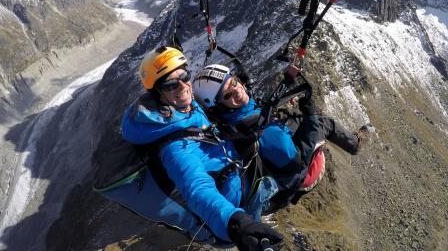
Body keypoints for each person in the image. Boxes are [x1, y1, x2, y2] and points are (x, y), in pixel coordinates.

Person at [120, 46, 284, 251]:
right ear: (158, 93)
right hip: (236, 200)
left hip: (233, 169)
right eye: (171, 85)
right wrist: (237, 223)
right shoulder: (176, 149)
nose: (182, 86)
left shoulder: (179, 109)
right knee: (290, 160)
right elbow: (196, 188)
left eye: (184, 76)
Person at [192, 64, 372, 206]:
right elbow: (295, 163)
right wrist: (311, 117)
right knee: (323, 123)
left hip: (277, 163)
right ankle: (355, 144)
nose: (238, 90)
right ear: (220, 106)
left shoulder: (235, 121)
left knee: (296, 118)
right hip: (298, 176)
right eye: (228, 94)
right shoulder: (260, 130)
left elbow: (263, 109)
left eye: (233, 82)